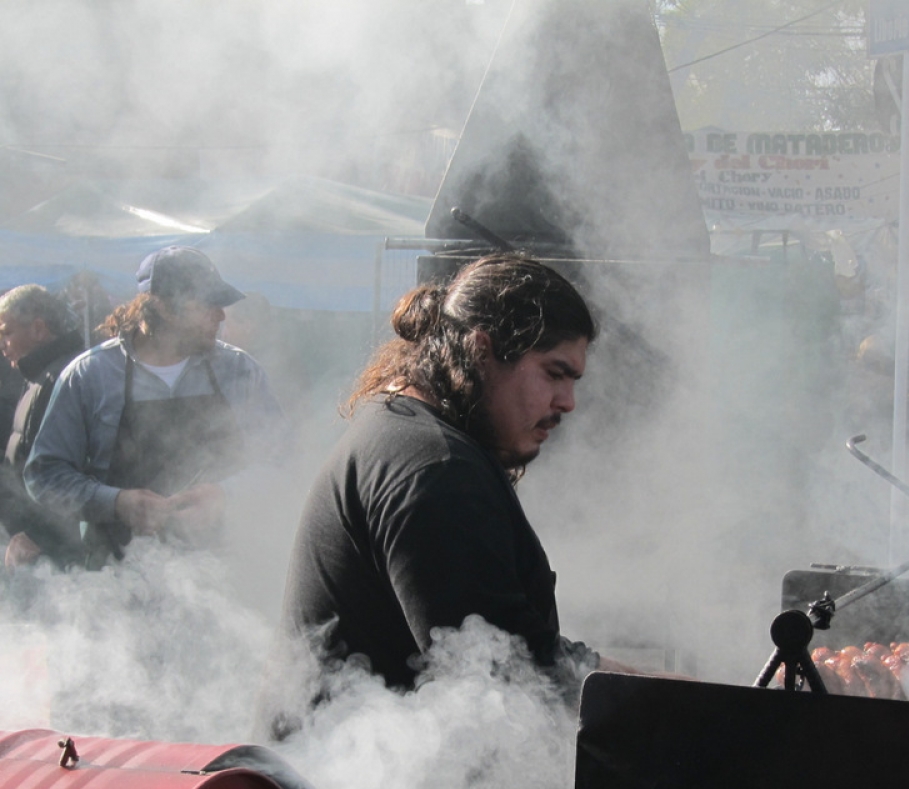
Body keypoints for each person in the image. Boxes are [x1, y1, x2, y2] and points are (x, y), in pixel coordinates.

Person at [280, 252, 605, 694]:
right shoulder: (436, 469)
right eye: (554, 373)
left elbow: (513, 651)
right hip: (344, 761)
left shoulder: (409, 435)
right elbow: (510, 678)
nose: (568, 402)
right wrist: (667, 699)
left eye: (573, 381)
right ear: (481, 350)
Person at [24, 246, 289, 566]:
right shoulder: (90, 375)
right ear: (163, 308)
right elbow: (44, 475)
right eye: (207, 304)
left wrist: (225, 495)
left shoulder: (239, 371)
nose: (220, 316)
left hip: (226, 570)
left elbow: (282, 463)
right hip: (117, 576)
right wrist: (116, 503)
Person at [0, 284, 87, 569]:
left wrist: (39, 534)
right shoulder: (37, 375)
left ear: (38, 329)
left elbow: (67, 470)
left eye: (6, 332)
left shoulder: (62, 379)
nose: (2, 344)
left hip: (54, 550)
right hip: (32, 543)